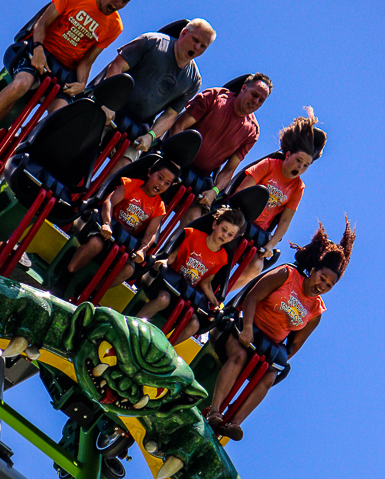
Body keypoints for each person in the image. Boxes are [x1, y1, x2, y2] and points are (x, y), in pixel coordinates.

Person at [206, 217, 355, 441]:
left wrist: (274, 359)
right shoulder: (287, 275)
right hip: (243, 327)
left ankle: (233, 424)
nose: (322, 286)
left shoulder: (315, 311)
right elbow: (252, 296)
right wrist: (246, 328)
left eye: (328, 286)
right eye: (322, 278)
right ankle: (214, 412)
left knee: (269, 375)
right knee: (238, 355)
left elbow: (293, 346)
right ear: (313, 270)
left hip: (266, 346)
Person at [0, 0, 140, 155]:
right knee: (22, 83)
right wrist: (38, 49)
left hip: (64, 70)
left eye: (124, 2)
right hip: (39, 51)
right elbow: (42, 23)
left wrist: (81, 83)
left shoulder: (114, 26)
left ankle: (15, 147)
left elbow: (87, 60)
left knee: (60, 117)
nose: (118, 4)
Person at [230, 107, 326, 290]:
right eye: (299, 161)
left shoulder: (298, 188)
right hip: (239, 219)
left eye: (306, 165)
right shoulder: (270, 165)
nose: (301, 167)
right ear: (288, 155)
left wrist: (270, 245)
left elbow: (285, 221)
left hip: (257, 233)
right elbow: (243, 189)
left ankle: (220, 292)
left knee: (256, 266)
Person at [53, 159, 180, 297]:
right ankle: (66, 276)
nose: (160, 184)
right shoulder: (131, 185)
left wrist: (142, 250)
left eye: (166, 183)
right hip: (104, 232)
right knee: (96, 244)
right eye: (159, 178)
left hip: (123, 245)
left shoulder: (159, 206)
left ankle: (90, 291)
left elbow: (151, 233)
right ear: (150, 173)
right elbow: (109, 201)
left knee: (128, 270)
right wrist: (107, 223)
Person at [104, 19, 216, 170]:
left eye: (203, 46)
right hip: (110, 108)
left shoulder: (193, 80)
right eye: (195, 40)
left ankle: (100, 193)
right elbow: (116, 67)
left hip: (138, 127)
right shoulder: (153, 42)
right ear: (183, 33)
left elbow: (170, 114)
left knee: (126, 165)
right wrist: (109, 102)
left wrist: (150, 136)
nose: (197, 47)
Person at [167, 73, 273, 225]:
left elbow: (229, 170)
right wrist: (174, 161)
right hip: (175, 161)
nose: (255, 101)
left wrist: (214, 192)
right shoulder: (215, 97)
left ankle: (172, 248)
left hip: (200, 179)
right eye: (254, 95)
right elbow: (179, 126)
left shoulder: (251, 132)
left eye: (261, 100)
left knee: (196, 221)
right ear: (243, 88)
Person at [136, 208, 245, 344]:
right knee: (164, 299)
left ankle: (165, 348)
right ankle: (133, 325)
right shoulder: (192, 235)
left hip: (185, 296)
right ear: (214, 225)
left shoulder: (222, 258)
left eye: (230, 234)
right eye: (224, 229)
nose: (225, 235)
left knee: (194, 323)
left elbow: (205, 282)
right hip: (169, 286)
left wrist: (215, 303)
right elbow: (171, 257)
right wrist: (162, 261)